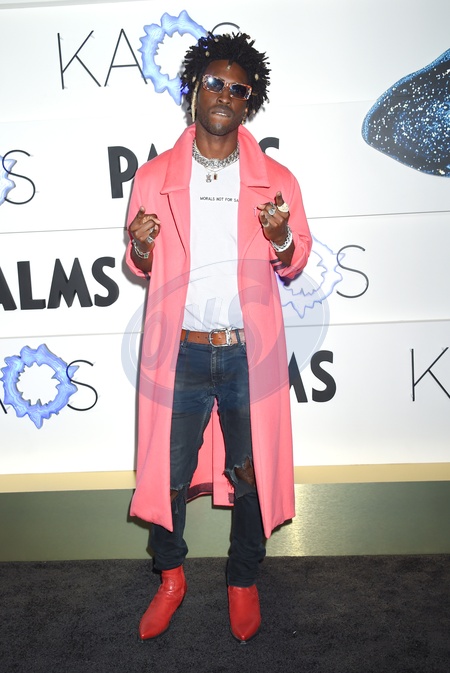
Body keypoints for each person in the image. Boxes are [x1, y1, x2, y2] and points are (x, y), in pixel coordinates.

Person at [125, 32, 312, 644]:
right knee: (167, 475)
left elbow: (295, 259)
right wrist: (142, 248)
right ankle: (170, 577)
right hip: (177, 350)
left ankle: (242, 579)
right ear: (194, 89)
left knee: (251, 473)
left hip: (247, 354)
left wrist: (282, 238)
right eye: (214, 82)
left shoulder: (276, 180)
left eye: (238, 88)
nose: (225, 95)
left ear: (249, 101)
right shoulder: (153, 176)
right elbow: (138, 264)